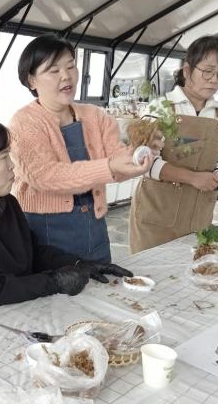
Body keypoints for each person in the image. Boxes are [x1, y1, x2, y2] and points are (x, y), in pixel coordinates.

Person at [0, 117, 133, 327]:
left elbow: (29, 251)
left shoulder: (4, 202)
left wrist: (78, 264)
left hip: (11, 312)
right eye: (3, 157)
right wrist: (53, 282)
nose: (12, 165)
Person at [9, 33, 162, 264]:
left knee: (105, 284)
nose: (66, 75)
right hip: (45, 235)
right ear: (31, 81)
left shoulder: (95, 116)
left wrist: (140, 155)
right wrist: (110, 166)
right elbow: (45, 176)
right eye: (54, 70)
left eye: (71, 66)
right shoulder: (23, 123)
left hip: (94, 227)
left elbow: (117, 162)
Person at [129, 36, 218, 253]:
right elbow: (144, 162)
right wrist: (193, 178)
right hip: (155, 216)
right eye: (208, 71)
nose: (214, 80)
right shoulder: (161, 108)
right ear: (187, 70)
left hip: (198, 216)